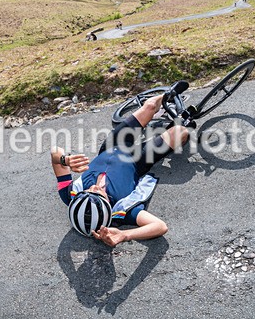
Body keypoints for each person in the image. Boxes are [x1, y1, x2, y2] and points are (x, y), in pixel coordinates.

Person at [51, 84, 195, 247]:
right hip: (139, 160)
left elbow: (55, 151)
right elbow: (160, 226)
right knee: (182, 132)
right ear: (107, 208)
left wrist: (65, 160)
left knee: (149, 106)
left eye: (86, 192)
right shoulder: (123, 212)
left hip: (112, 145)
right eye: (98, 195)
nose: (93, 189)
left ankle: (167, 95)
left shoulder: (69, 194)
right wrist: (125, 235)